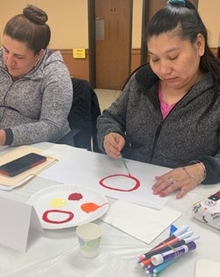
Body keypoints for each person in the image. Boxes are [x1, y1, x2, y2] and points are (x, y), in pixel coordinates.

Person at [97, 0, 220, 199]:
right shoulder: (143, 80)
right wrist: (109, 135)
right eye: (154, 59)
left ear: (199, 44)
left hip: (186, 199)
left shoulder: (216, 92)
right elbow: (110, 117)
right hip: (132, 189)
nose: (163, 70)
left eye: (173, 57)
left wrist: (199, 171)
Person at [0, 5, 73, 147]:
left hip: (43, 148)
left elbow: (51, 125)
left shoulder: (55, 74)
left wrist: (5, 136)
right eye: (6, 50)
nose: (9, 61)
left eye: (19, 57)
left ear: (39, 54)